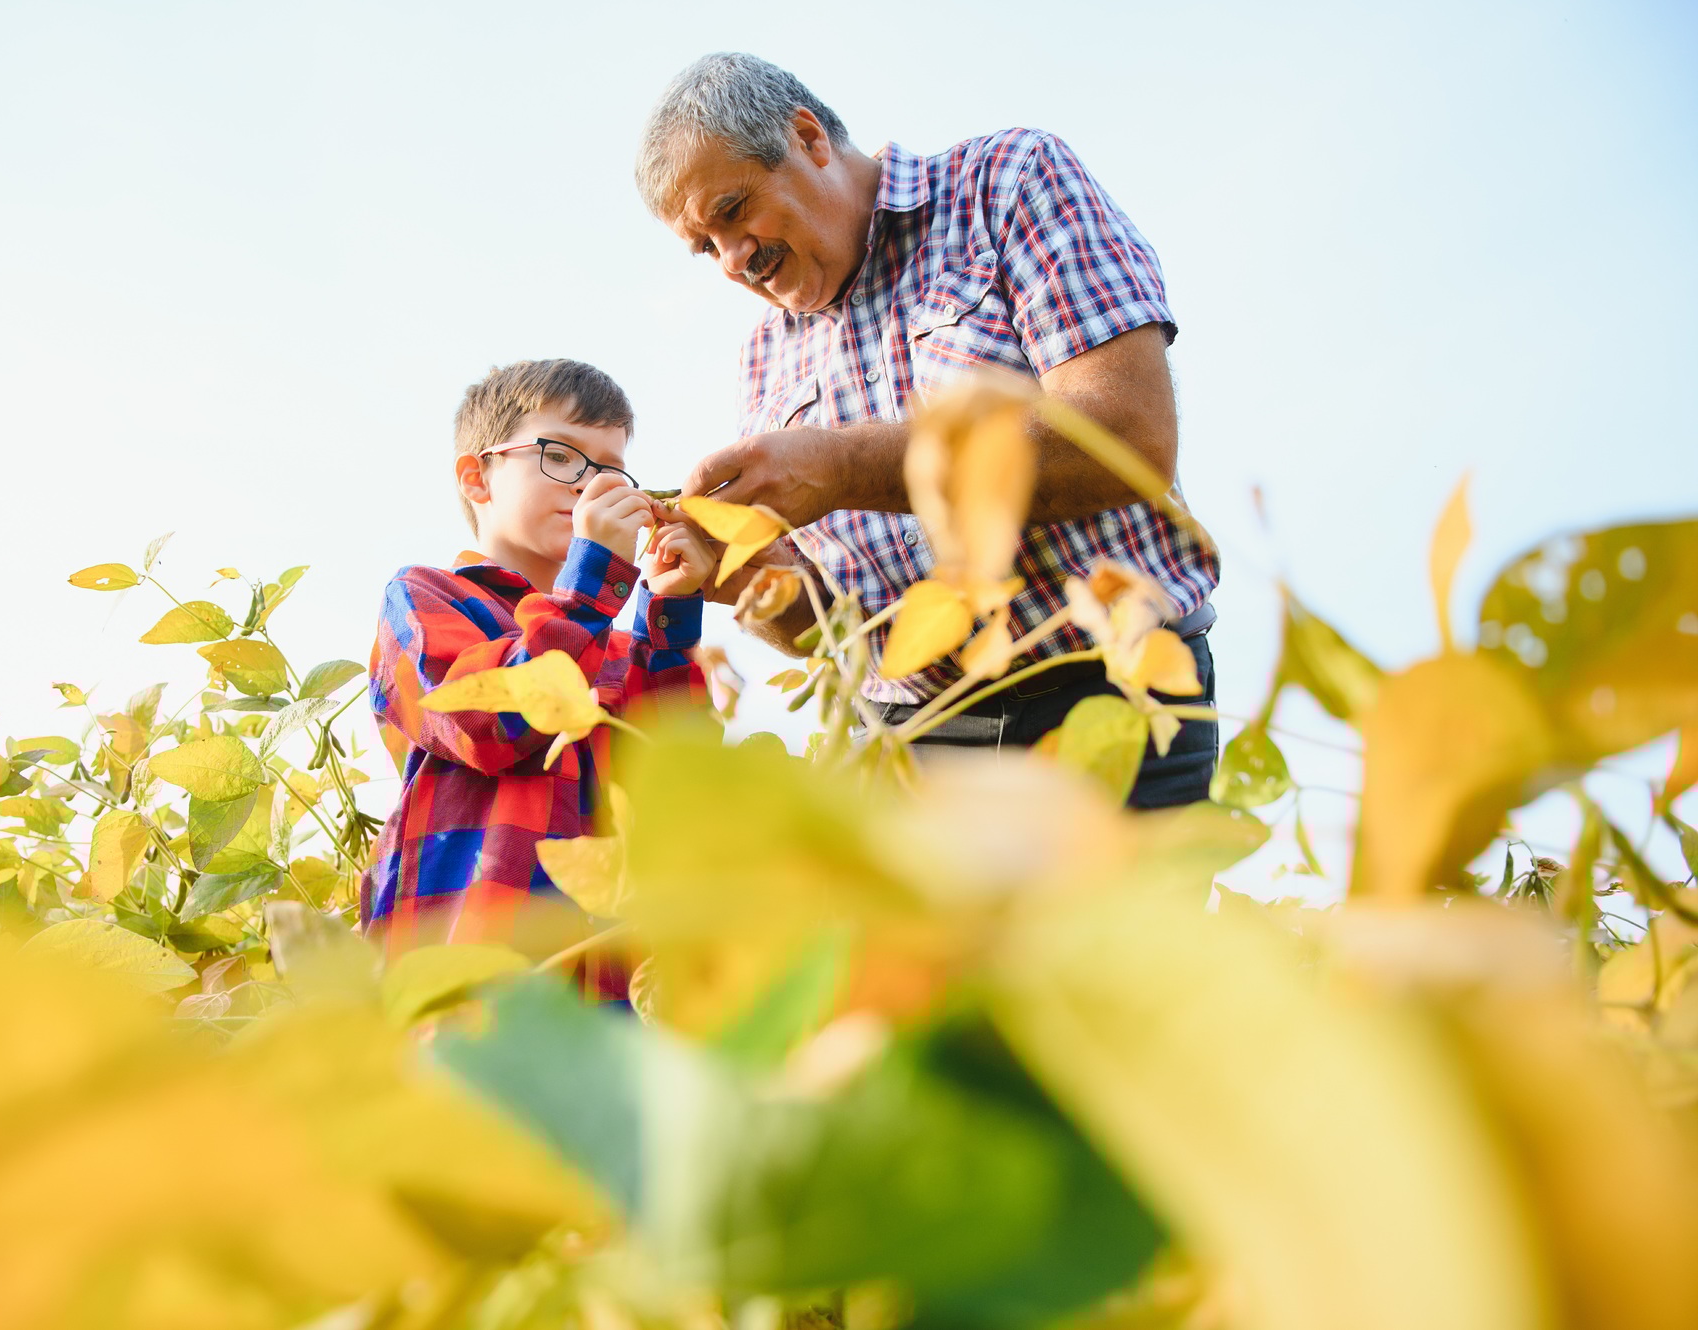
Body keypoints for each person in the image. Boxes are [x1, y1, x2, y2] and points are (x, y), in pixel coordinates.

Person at [637, 54, 1221, 806]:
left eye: (732, 212)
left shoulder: (1007, 184)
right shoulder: (763, 358)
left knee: (1121, 929)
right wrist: (748, 581)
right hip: (911, 749)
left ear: (809, 138)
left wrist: (846, 467)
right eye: (705, 247)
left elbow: (1128, 436)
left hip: (1114, 700)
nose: (732, 260)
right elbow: (836, 634)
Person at [363, 359, 714, 990]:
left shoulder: (608, 640)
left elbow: (673, 774)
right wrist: (591, 585)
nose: (591, 485)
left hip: (603, 985)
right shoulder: (425, 597)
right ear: (477, 478)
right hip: (471, 969)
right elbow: (480, 722)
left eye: (610, 468)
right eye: (562, 455)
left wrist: (669, 608)